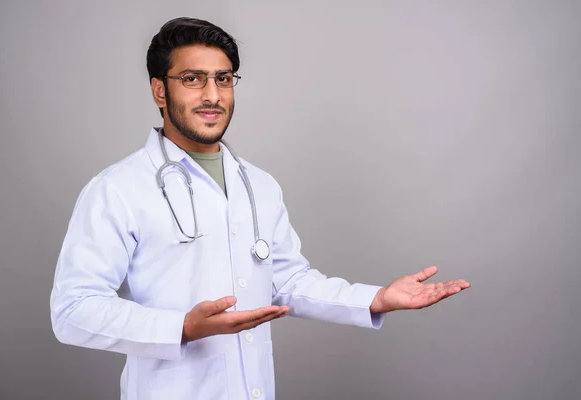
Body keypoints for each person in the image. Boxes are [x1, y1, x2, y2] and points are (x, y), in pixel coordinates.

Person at [49, 16, 471, 400]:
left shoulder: (259, 185)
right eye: (193, 79)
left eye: (224, 79)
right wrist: (182, 328)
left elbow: (286, 280)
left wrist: (376, 299)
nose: (212, 95)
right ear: (160, 89)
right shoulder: (118, 188)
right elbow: (72, 310)